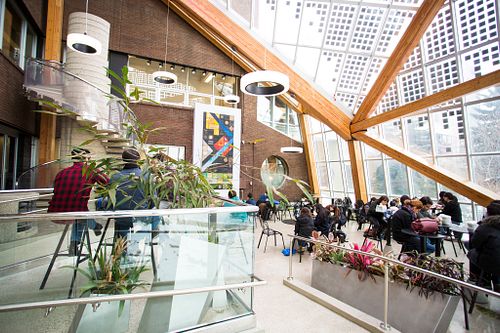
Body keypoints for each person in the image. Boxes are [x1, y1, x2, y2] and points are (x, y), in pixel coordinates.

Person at [48, 148, 108, 255]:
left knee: (80, 215)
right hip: (77, 212)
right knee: (81, 214)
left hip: (55, 212)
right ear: (86, 158)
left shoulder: (61, 173)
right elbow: (107, 182)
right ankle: (93, 226)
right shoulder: (91, 171)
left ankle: (74, 244)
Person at [109, 148, 154, 239]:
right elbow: (154, 200)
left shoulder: (115, 177)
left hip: (121, 218)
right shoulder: (146, 176)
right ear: (138, 160)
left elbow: (110, 200)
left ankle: (121, 248)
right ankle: (138, 246)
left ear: (123, 160)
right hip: (140, 217)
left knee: (121, 240)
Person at [467, 201, 500, 291]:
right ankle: (496, 282)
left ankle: (482, 281)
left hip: (492, 263)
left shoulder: (486, 226)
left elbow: (475, 243)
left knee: (472, 253)